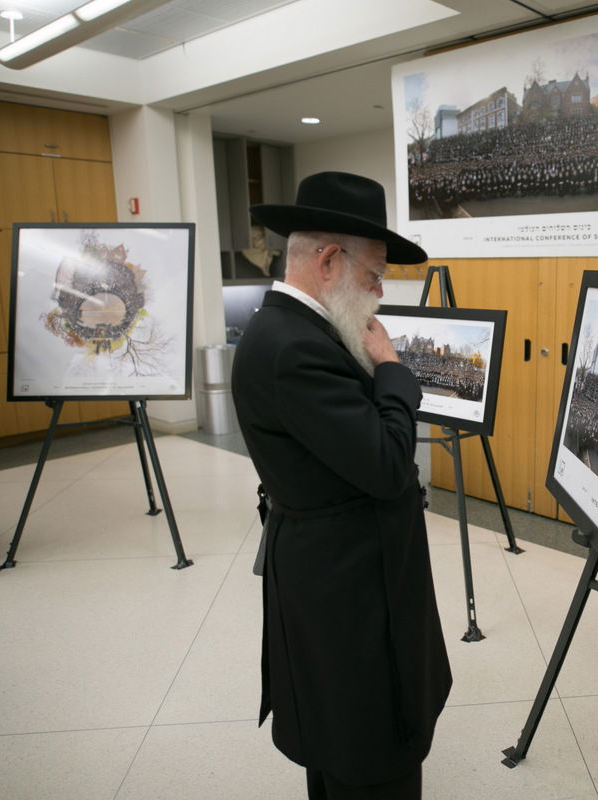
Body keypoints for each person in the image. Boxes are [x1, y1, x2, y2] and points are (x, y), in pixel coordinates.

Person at [232, 172, 451, 799]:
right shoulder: (294, 347)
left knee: (339, 734)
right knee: (365, 739)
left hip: (333, 570)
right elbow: (385, 465)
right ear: (330, 261)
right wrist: (394, 375)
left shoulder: (298, 331)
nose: (379, 294)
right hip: (349, 588)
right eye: (375, 276)